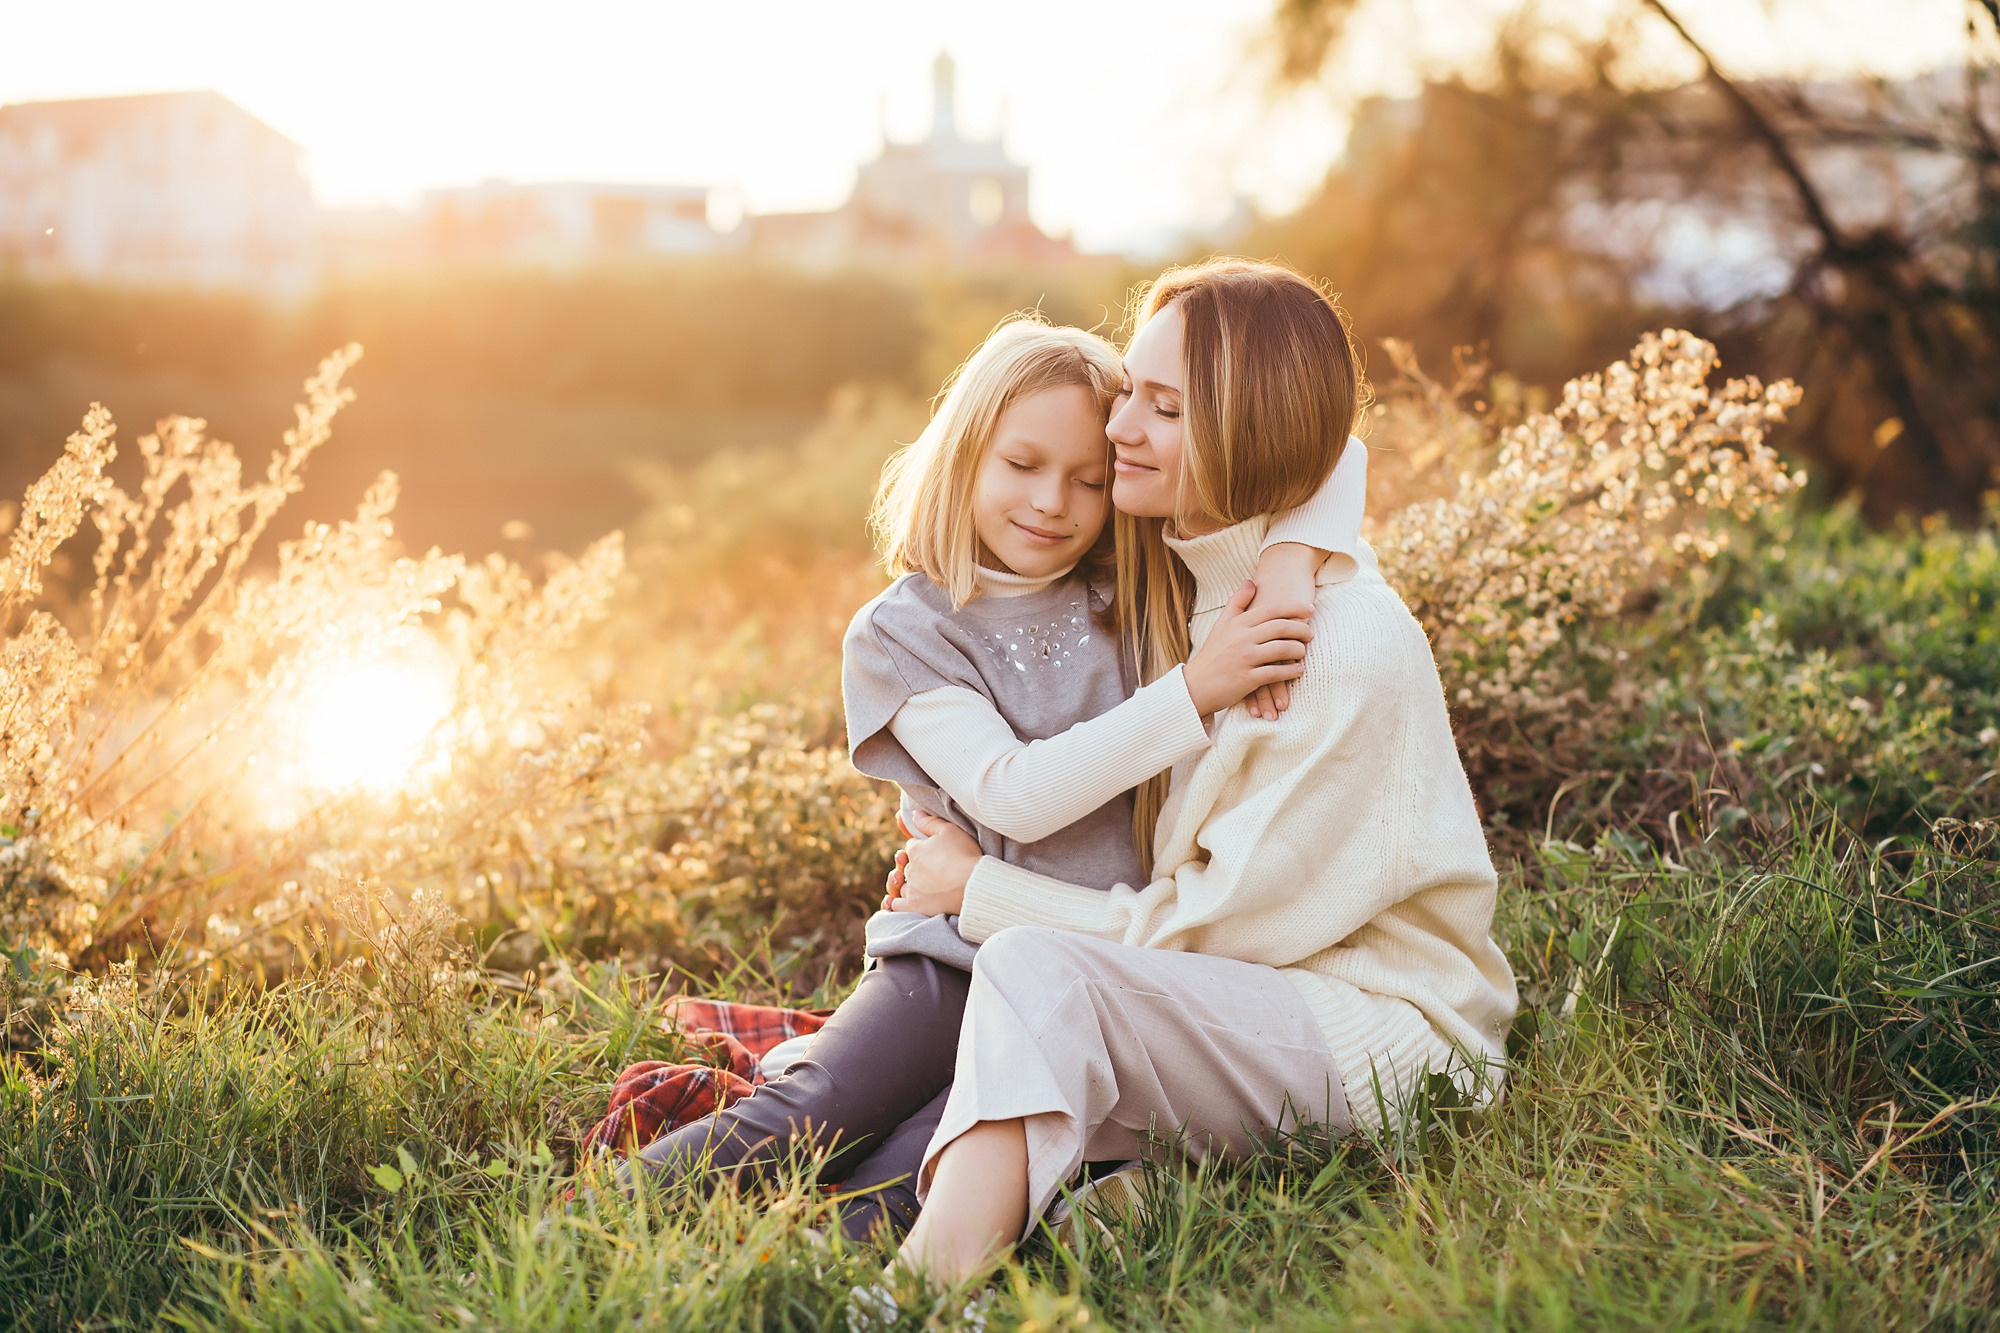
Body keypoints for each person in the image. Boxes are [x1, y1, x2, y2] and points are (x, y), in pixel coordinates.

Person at [601, 314, 1368, 1243]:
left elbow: (1329, 453)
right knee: (818, 1109)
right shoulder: (906, 631)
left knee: (920, 1167)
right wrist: (1196, 689)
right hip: (952, 950)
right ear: (965, 455)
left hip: (1088, 976)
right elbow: (1011, 790)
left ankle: (795, 1272)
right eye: (1023, 465)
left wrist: (1288, 563)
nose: (1054, 501)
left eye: (1090, 479)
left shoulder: (1131, 584)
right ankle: (589, 1224)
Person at [881, 258, 1520, 1287]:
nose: (1118, 429)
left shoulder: (1331, 646)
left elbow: (1216, 935)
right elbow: (1334, 450)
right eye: (1129, 389)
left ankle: (910, 1295)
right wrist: (1293, 545)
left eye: (1162, 407)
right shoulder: (1197, 586)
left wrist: (981, 892)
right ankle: (945, 1257)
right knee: (965, 1104)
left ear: (1244, 430)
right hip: (1247, 1007)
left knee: (1031, 969)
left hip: (1378, 1038)